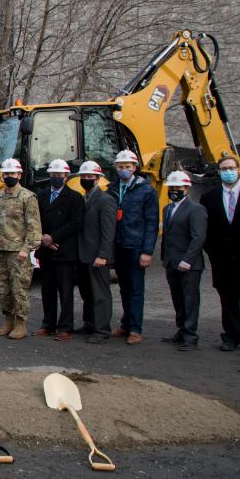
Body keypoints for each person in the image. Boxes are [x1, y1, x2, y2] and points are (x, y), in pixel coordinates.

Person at [200, 157, 240, 351]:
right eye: (224, 169)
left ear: (239, 169)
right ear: (219, 172)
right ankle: (232, 336)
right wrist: (212, 251)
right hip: (223, 260)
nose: (228, 172)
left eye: (231, 168)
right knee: (228, 301)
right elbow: (206, 229)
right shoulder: (209, 197)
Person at [108, 149, 159, 345]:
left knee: (136, 288)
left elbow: (151, 222)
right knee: (124, 288)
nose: (123, 170)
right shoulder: (113, 189)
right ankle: (126, 323)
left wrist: (147, 251)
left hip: (136, 246)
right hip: (119, 245)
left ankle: (136, 329)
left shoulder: (146, 191)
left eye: (127, 167)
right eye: (120, 167)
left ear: (135, 168)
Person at [0, 158, 42, 340]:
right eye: (5, 174)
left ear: (19, 175)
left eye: (12, 174)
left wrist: (26, 249)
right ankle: (8, 321)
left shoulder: (27, 197)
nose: (8, 177)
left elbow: (34, 228)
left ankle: (21, 324)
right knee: (4, 288)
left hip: (18, 252)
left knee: (18, 288)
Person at [35, 159, 84, 340]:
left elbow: (75, 223)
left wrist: (53, 238)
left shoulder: (75, 198)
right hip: (46, 250)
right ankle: (48, 324)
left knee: (65, 291)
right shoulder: (41, 195)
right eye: (53, 175)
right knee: (47, 290)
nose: (56, 178)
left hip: (64, 251)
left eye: (59, 175)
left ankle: (65, 327)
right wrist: (43, 238)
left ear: (66, 176)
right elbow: (35, 219)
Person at [160, 171, 207, 351]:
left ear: (187, 188)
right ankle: (181, 330)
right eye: (171, 188)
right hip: (172, 262)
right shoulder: (168, 209)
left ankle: (191, 336)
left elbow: (198, 237)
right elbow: (167, 236)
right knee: (177, 298)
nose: (174, 190)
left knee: (190, 299)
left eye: (178, 187)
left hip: (189, 265)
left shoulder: (196, 209)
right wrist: (165, 258)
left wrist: (188, 260)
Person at [74, 161, 117, 344]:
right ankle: (90, 323)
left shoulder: (106, 200)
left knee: (100, 294)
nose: (86, 180)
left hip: (98, 256)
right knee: (87, 293)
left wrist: (103, 255)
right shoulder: (83, 198)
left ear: (98, 179)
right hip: (83, 254)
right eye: (83, 177)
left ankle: (102, 330)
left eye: (90, 177)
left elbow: (108, 231)